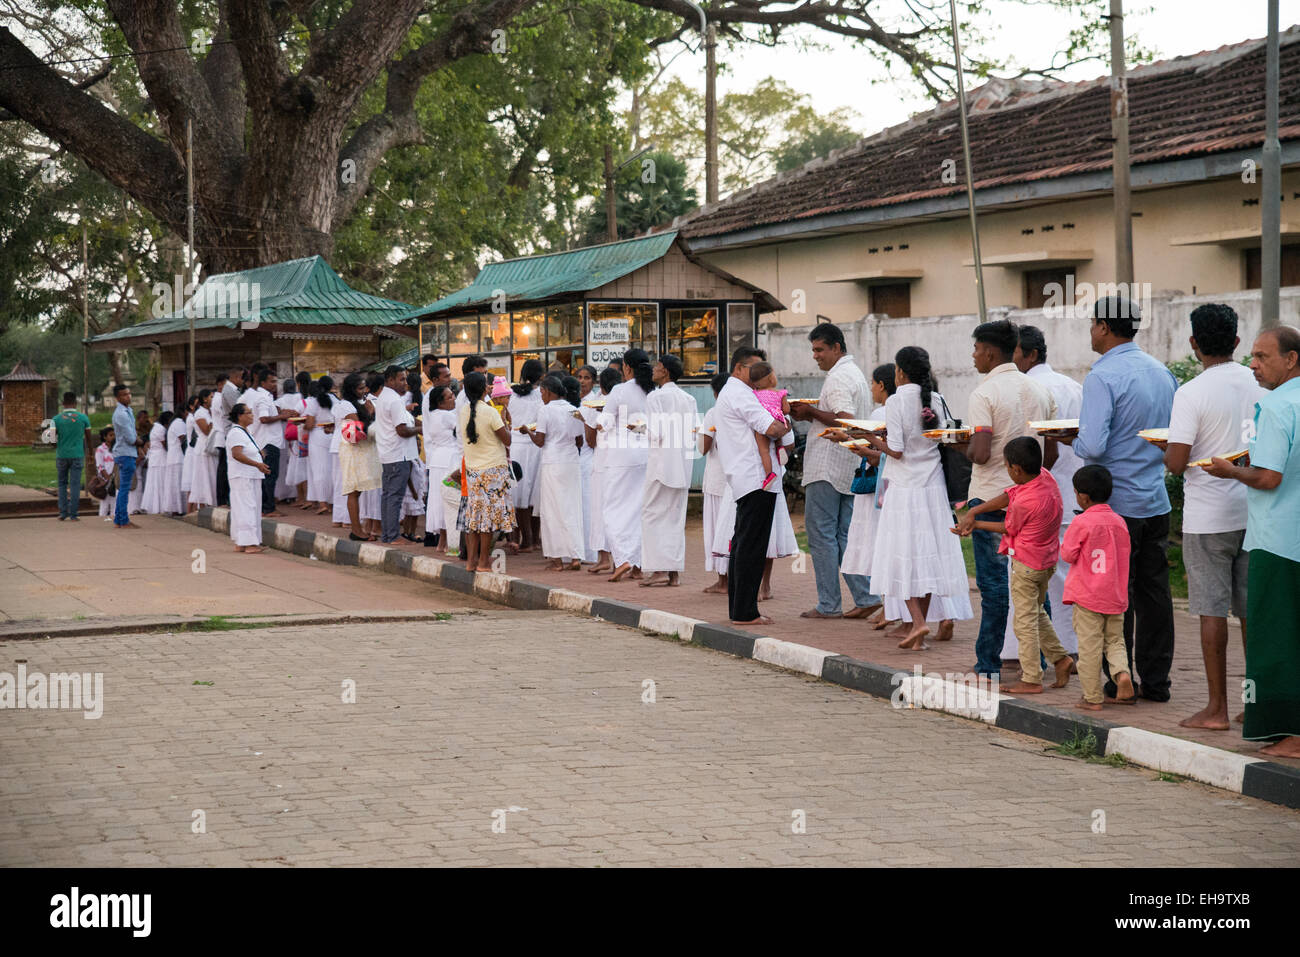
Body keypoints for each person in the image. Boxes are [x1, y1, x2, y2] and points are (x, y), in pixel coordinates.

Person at [1059, 295, 1178, 702]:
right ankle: (1157, 681)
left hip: (1117, 506)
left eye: (1093, 324)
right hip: (1155, 499)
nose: (1091, 331)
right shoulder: (1162, 372)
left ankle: (1117, 678)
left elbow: (1092, 446)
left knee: (1113, 595)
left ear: (1105, 328)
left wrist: (1070, 438)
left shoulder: (1103, 376)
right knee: (1155, 595)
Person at [1162, 304, 1264, 730]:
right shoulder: (1261, 383)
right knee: (1250, 613)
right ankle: (1254, 704)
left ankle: (1216, 709)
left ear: (1193, 344)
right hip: (1254, 509)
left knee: (1210, 612)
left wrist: (1164, 449)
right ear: (1238, 342)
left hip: (1208, 517)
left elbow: (1177, 460)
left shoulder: (1192, 392)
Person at [1203, 325, 1300, 758]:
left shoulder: (1277, 406)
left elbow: (1268, 477)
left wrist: (1230, 470)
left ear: (1291, 359)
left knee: (1276, 635)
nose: (1253, 365)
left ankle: (1291, 734)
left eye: (1262, 356)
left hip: (1278, 540)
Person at [950, 319, 1056, 676]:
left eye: (976, 349)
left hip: (990, 499)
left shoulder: (984, 394)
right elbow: (1050, 454)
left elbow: (980, 453)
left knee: (995, 587)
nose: (974, 356)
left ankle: (988, 663)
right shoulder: (1040, 391)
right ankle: (1043, 660)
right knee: (1034, 584)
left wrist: (955, 443)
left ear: (991, 351)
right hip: (1034, 497)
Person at [858, 347, 971, 648]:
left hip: (905, 488)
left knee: (902, 553)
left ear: (900, 372)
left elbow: (896, 450)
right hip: (933, 487)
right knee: (929, 552)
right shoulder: (937, 399)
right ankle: (920, 627)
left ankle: (918, 623)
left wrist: (869, 438)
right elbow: (945, 437)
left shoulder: (896, 401)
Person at [956, 437, 1070, 693]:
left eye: (1007, 467)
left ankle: (1031, 678)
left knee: (1024, 622)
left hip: (1027, 566)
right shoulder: (1044, 478)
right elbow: (1009, 493)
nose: (1007, 472)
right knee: (1037, 613)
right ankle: (1061, 659)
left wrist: (976, 524)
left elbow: (1008, 527)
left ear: (1016, 469)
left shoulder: (1025, 502)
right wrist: (974, 512)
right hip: (1046, 562)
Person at [787, 322, 882, 620]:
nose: (815, 356)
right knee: (843, 535)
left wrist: (810, 412)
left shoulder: (840, 378)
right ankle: (865, 596)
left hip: (829, 466)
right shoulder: (851, 373)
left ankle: (829, 604)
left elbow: (845, 419)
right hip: (848, 464)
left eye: (820, 349)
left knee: (822, 535)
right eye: (813, 350)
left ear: (837, 348)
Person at [1013, 324, 1084, 657]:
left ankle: (1050, 652)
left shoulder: (1028, 388)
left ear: (1031, 355)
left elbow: (1038, 451)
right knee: (1070, 575)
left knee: (1039, 578)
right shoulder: (1073, 386)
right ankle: (1073, 648)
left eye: (1014, 353)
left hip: (1042, 495)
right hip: (1074, 492)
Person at [713, 347, 792, 626]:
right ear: (739, 369)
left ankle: (741, 609)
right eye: (755, 369)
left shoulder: (741, 393)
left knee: (745, 543)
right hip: (756, 476)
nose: (760, 375)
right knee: (751, 545)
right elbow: (772, 428)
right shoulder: (739, 394)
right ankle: (745, 612)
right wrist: (787, 420)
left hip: (749, 476)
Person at [1060, 464, 1135, 710]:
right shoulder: (1119, 522)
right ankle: (1122, 673)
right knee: (1115, 641)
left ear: (1083, 496)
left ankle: (1091, 698)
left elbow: (1068, 554)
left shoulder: (1081, 522)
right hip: (1114, 595)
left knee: (1089, 647)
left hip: (1087, 595)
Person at [633, 355, 698, 587]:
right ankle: (673, 573)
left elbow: (656, 433)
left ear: (666, 372)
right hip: (682, 465)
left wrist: (638, 428)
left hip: (661, 465)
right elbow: (693, 432)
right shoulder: (688, 398)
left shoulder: (656, 396)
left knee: (651, 515)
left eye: (658, 367)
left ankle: (659, 570)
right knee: (674, 517)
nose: (653, 370)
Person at [603, 349, 654, 582]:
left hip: (622, 455)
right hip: (647, 454)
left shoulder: (619, 390)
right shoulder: (654, 390)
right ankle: (639, 563)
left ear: (627, 367)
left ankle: (623, 558)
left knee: (612, 510)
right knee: (639, 509)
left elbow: (605, 421)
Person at [457, 370, 516, 571]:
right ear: (484, 389)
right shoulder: (491, 411)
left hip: (473, 471)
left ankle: (471, 561)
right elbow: (507, 439)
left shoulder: (464, 410)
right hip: (493, 471)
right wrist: (507, 420)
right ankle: (483, 561)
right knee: (488, 521)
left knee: (474, 518)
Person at [526, 374, 585, 570]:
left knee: (552, 510)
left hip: (552, 462)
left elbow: (541, 441)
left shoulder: (545, 410)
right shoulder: (573, 410)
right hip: (571, 462)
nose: (541, 396)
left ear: (549, 392)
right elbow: (579, 441)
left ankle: (557, 559)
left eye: (542, 392)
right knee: (571, 508)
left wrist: (528, 432)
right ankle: (575, 556)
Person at [373, 365, 420, 544]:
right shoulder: (393, 400)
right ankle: (392, 535)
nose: (405, 383)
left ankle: (388, 534)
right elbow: (402, 430)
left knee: (388, 496)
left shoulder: (386, 397)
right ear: (390, 380)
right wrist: (421, 429)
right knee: (393, 497)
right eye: (401, 379)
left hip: (390, 454)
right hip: (397, 454)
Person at [238, 366, 294, 517]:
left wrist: (283, 414)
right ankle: (269, 508)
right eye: (271, 381)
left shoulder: (264, 396)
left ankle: (266, 507)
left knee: (267, 475)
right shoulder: (262, 397)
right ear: (263, 382)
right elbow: (263, 418)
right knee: (270, 475)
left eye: (276, 381)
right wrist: (282, 417)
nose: (275, 384)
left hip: (266, 441)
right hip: (268, 441)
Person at [583, 366, 622, 575]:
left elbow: (589, 439)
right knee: (619, 509)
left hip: (602, 460)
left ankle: (604, 558)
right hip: (621, 462)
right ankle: (621, 558)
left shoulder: (595, 403)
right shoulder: (626, 399)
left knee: (599, 509)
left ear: (600, 385)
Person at [337, 372, 382, 541]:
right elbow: (356, 433)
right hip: (352, 451)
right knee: (353, 490)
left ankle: (360, 528)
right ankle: (356, 530)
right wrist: (370, 413)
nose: (365, 391)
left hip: (362, 452)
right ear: (352, 389)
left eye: (365, 387)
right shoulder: (346, 406)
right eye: (361, 388)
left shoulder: (359, 403)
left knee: (359, 490)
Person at [508, 360, 546, 552]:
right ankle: (535, 538)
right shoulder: (542, 395)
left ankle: (527, 539)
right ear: (541, 376)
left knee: (520, 493)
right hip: (535, 443)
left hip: (517, 445)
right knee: (534, 493)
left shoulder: (512, 395)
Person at [698, 373, 731, 595]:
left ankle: (723, 581)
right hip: (734, 481)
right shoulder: (742, 410)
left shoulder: (714, 412)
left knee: (717, 531)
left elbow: (703, 447)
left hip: (717, 480)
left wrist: (698, 435)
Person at [226, 402, 271, 553]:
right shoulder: (236, 432)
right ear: (240, 416)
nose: (252, 415)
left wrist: (259, 457)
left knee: (249, 507)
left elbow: (248, 450)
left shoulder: (245, 431)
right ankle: (249, 543)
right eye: (249, 412)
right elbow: (237, 454)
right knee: (247, 507)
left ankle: (242, 542)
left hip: (250, 475)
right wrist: (257, 464)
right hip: (242, 475)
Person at [422, 384, 459, 551]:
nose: (454, 399)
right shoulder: (446, 415)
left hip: (437, 458)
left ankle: (442, 541)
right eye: (450, 397)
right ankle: (447, 540)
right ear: (440, 402)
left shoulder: (433, 414)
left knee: (437, 498)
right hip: (448, 459)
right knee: (449, 499)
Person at [574, 366, 600, 564]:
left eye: (587, 378)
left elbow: (591, 438)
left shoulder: (594, 402)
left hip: (589, 455)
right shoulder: (575, 400)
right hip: (575, 456)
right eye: (580, 377)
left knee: (588, 503)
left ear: (593, 381)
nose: (582, 381)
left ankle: (591, 552)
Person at [53, 391, 91, 522]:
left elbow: (52, 440)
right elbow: (88, 438)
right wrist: (90, 452)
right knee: (75, 484)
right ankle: (74, 514)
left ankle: (63, 513)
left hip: (62, 455)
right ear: (76, 403)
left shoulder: (56, 419)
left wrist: (58, 444)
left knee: (62, 484)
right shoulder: (83, 418)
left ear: (63, 404)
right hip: (77, 455)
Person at [302, 376, 336, 515]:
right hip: (332, 435)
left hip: (317, 436)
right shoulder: (336, 400)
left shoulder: (314, 402)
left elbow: (309, 424)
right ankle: (333, 502)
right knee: (332, 470)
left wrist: (302, 424)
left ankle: (322, 503)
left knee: (318, 470)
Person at [215, 367, 245, 507]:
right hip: (228, 431)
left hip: (228, 431)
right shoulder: (229, 390)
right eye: (242, 378)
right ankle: (223, 499)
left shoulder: (231, 390)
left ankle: (224, 498)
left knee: (225, 466)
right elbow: (238, 408)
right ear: (236, 377)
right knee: (225, 467)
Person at [110, 385, 139, 529]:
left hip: (127, 452)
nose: (128, 396)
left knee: (123, 488)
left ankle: (119, 519)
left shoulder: (128, 411)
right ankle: (123, 520)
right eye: (124, 395)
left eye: (129, 393)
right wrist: (141, 441)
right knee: (124, 488)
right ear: (118, 398)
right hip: (125, 453)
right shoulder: (121, 414)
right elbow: (130, 438)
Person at [189, 390, 217, 510]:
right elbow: (206, 430)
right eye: (211, 397)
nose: (213, 399)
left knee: (212, 476)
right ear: (205, 399)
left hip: (212, 447)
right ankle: (204, 503)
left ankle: (212, 502)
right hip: (203, 448)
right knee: (204, 477)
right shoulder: (200, 413)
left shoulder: (209, 412)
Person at [140, 411, 171, 514]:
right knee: (160, 481)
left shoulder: (155, 427)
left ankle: (156, 506)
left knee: (155, 482)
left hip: (155, 457)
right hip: (160, 458)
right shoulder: (160, 429)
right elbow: (164, 445)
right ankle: (161, 506)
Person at [164, 404, 187, 514]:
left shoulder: (176, 423)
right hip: (178, 458)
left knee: (175, 484)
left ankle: (177, 508)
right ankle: (179, 508)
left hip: (174, 458)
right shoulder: (179, 423)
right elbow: (183, 439)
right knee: (178, 484)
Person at [94, 427, 116, 522]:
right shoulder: (100, 449)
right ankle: (101, 520)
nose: (113, 437)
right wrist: (108, 479)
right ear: (105, 437)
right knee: (104, 503)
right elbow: (100, 466)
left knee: (114, 502)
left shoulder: (116, 448)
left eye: (114, 435)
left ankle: (113, 519)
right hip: (105, 480)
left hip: (115, 478)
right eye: (111, 435)